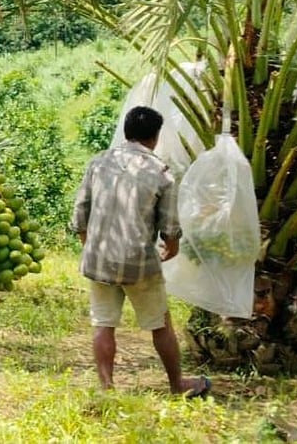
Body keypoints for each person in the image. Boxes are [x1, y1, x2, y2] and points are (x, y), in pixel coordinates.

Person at [69, 105, 210, 398]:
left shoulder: (98, 163)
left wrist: (93, 246)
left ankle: (106, 389)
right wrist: (170, 248)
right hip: (138, 264)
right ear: (155, 137)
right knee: (159, 324)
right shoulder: (161, 173)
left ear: (126, 131)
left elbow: (80, 213)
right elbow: (170, 229)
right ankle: (176, 385)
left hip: (99, 260)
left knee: (103, 323)